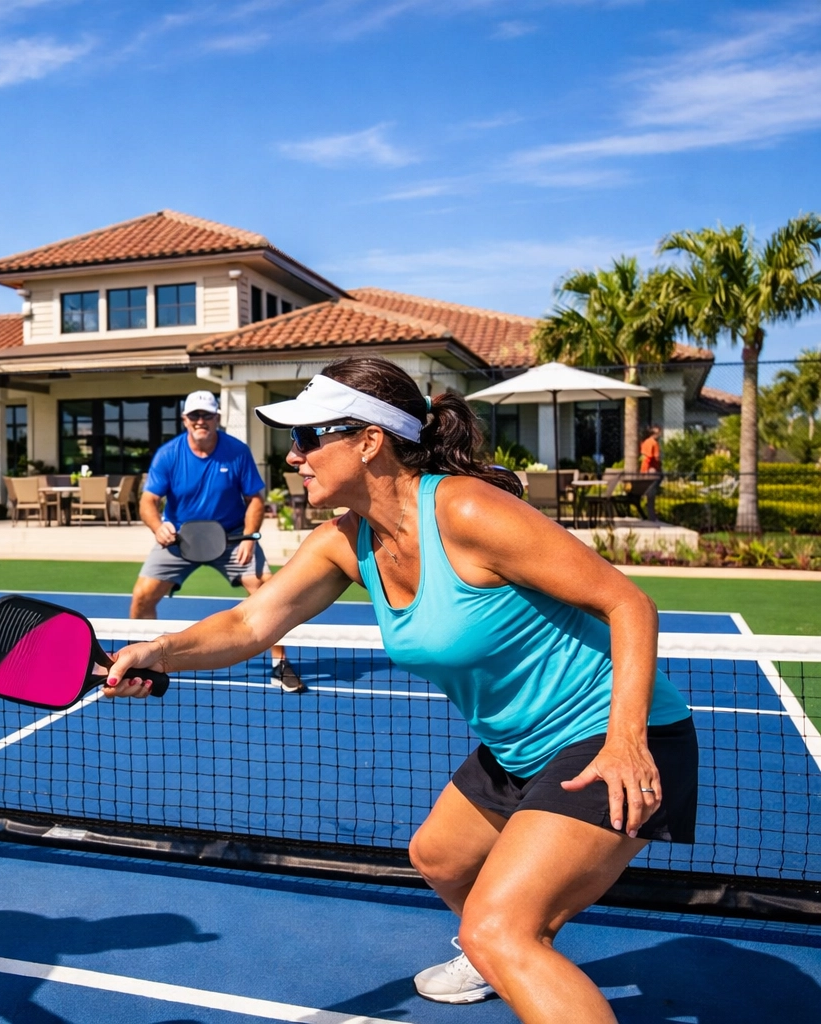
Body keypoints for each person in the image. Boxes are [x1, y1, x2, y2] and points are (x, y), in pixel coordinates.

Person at [104, 357, 696, 1024]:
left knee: (497, 928)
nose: (294, 457)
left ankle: (503, 945)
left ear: (368, 440)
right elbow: (249, 622)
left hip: (612, 737)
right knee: (439, 857)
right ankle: (503, 952)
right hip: (518, 746)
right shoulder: (345, 541)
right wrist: (155, 650)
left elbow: (629, 604)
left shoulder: (466, 511)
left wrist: (625, 742)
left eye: (306, 439)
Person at [129, 391, 295, 689]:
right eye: (194, 416)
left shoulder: (237, 452)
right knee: (142, 595)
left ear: (217, 418)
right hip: (179, 539)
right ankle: (144, 662)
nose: (200, 421)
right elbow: (148, 501)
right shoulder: (169, 454)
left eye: (207, 415)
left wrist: (249, 539)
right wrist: (158, 528)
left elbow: (255, 499)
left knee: (268, 592)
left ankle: (279, 662)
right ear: (185, 420)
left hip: (231, 538)